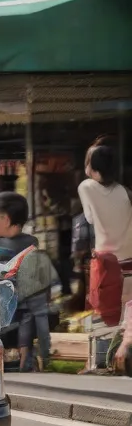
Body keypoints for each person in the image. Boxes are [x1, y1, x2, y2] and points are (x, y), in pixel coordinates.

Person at [0, 192, 55, 372]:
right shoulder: (30, 242)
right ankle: (26, 359)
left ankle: (24, 360)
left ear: (6, 220)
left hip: (10, 302)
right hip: (13, 302)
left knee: (25, 316)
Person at [78, 141, 132, 370]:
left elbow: (89, 218)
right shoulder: (124, 191)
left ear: (93, 167)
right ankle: (123, 354)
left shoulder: (86, 187)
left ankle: (108, 360)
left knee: (105, 314)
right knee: (127, 310)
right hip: (129, 262)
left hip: (105, 264)